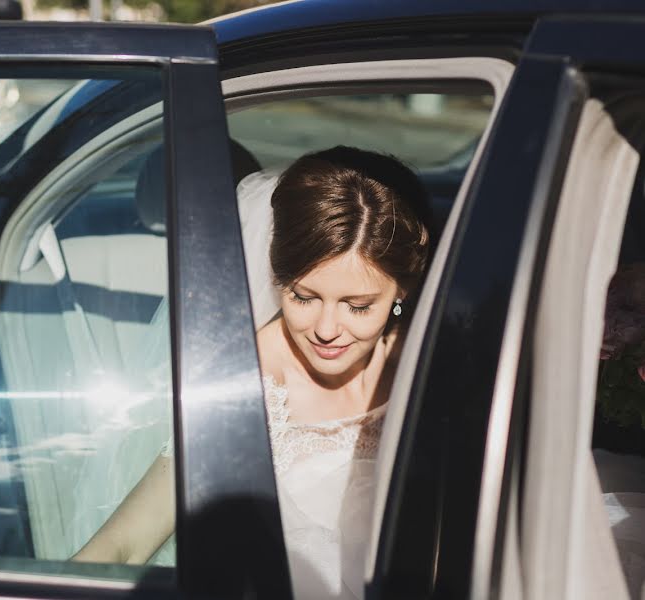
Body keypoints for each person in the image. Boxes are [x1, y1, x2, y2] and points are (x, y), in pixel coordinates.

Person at [74, 146, 432, 599]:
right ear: (278, 279)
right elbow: (123, 546)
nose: (326, 330)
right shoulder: (243, 383)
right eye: (304, 297)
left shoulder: (431, 364)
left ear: (401, 290)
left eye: (358, 306)